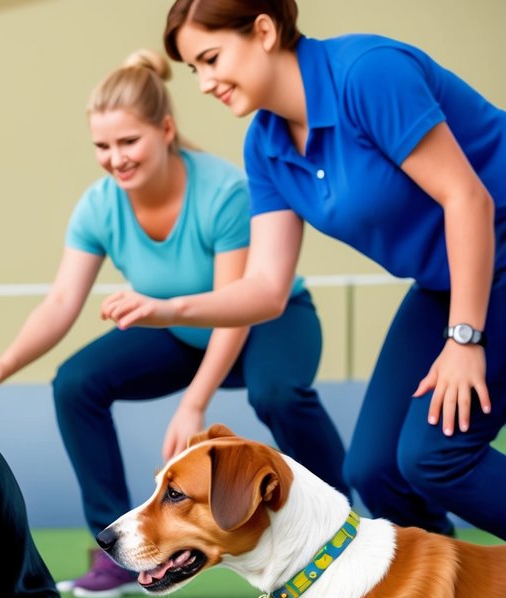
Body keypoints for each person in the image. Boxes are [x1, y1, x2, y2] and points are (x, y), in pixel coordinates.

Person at [101, 0, 506, 538]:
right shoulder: (265, 146)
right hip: (445, 280)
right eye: (196, 69)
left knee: (434, 457)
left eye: (212, 58)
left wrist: (464, 338)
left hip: (488, 262)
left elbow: (467, 200)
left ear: (264, 31)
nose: (205, 83)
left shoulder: (368, 73)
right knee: (375, 470)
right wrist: (166, 309)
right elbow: (267, 289)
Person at [0, 50, 347, 598]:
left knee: (277, 393)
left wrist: (194, 402)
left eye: (128, 142)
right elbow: (63, 300)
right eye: (102, 146)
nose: (115, 158)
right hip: (178, 329)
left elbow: (234, 308)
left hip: (266, 323)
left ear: (165, 130)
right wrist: (5, 362)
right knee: (75, 382)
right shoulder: (98, 207)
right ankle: (119, 552)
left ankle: (346, 518)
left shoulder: (224, 192)